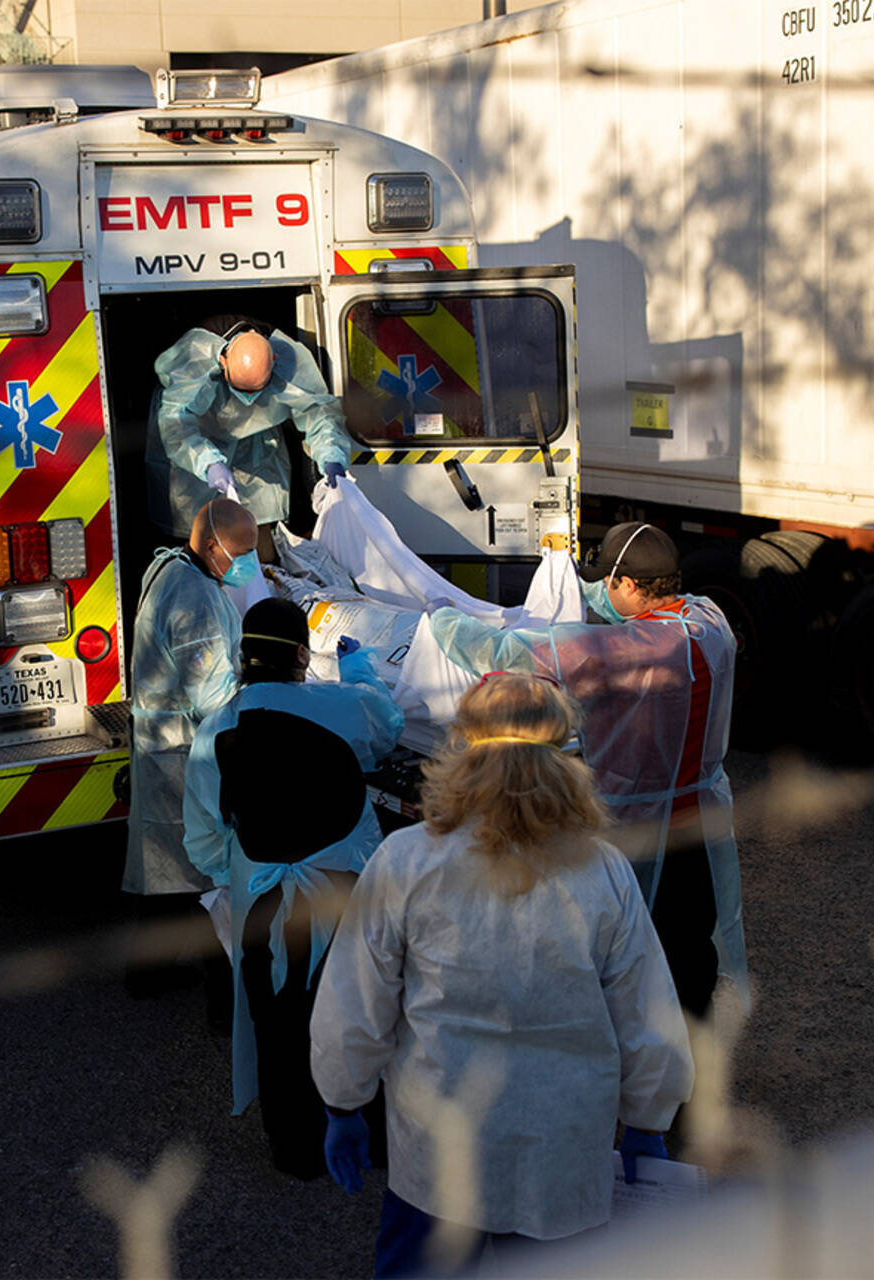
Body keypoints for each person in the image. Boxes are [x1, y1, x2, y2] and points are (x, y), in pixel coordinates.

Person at [311, 673, 694, 1277]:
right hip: (563, 1150)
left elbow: (355, 1002)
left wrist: (342, 1103)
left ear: (461, 750)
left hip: (438, 1150)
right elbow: (646, 1012)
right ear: (567, 759)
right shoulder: (604, 871)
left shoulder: (408, 859)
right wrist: (650, 1118)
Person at [427, 521, 746, 1019]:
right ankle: (692, 1055)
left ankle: (645, 1063)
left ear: (632, 587)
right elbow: (630, 621)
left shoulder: (627, 652)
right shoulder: (710, 623)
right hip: (702, 823)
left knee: (632, 945)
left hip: (635, 830)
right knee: (691, 945)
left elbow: (506, 652)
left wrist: (443, 618)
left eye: (608, 582)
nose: (600, 590)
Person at [183, 598, 404, 1178]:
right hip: (348, 896)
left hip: (262, 901)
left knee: (276, 1023)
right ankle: (371, 1138)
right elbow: (388, 726)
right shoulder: (345, 706)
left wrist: (234, 876)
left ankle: (295, 1149)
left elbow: (203, 836)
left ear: (241, 657)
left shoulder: (216, 730)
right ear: (304, 656)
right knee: (358, 1011)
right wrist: (359, 670)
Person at [122, 497, 258, 899]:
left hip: (160, 741)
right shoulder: (195, 597)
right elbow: (213, 697)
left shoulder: (170, 566)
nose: (249, 562)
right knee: (185, 877)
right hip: (179, 751)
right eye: (244, 553)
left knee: (170, 871)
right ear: (213, 547)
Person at [145, 321, 354, 558]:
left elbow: (320, 415)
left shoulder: (290, 362)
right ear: (223, 362)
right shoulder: (195, 362)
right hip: (195, 454)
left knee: (257, 542)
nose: (247, 400)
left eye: (256, 392)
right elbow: (176, 425)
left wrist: (331, 456)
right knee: (203, 541)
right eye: (240, 390)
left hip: (257, 451)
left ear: (274, 361)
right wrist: (207, 463)